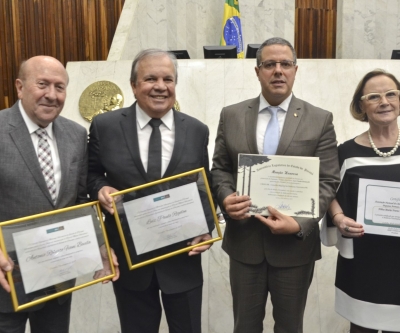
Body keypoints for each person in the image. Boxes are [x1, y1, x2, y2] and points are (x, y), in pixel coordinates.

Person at [211, 37, 340, 332]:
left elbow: (328, 180)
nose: (278, 71)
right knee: (244, 325)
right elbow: (220, 168)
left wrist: (300, 224)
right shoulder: (231, 115)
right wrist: (225, 197)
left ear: (296, 70)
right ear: (257, 71)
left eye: (285, 64)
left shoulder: (320, 119)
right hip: (245, 244)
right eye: (269, 64)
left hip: (294, 248)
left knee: (290, 326)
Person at [87, 49, 214, 333]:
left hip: (183, 260)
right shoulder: (104, 126)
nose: (160, 86)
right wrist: (100, 187)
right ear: (134, 85)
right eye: (150, 79)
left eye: (168, 79)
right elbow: (90, 174)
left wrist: (206, 226)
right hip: (130, 264)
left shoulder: (196, 130)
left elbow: (204, 186)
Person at [0, 56, 88, 333]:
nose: (52, 95)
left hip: (58, 282)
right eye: (42, 84)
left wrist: (98, 243)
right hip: (6, 281)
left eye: (59, 87)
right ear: (20, 87)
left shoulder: (76, 135)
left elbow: (80, 200)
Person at [323, 69, 400, 333]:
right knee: (362, 329)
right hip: (363, 262)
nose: (384, 102)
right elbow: (329, 191)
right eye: (374, 96)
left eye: (391, 94)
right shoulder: (345, 151)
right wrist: (338, 218)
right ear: (361, 106)